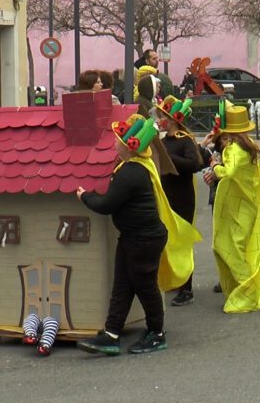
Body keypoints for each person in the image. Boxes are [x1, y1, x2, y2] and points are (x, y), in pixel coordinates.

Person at [77, 114, 201, 355]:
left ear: (127, 146)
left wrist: (85, 196)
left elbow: (106, 205)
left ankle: (156, 333)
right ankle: (111, 333)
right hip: (133, 237)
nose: (113, 143)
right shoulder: (133, 167)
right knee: (122, 286)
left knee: (145, 286)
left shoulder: (130, 172)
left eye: (117, 140)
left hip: (143, 240)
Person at [204, 106, 260, 312]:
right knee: (234, 245)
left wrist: (214, 166)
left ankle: (247, 287)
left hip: (235, 205)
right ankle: (243, 286)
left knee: (227, 246)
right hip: (246, 203)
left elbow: (228, 172)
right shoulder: (249, 147)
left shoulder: (234, 149)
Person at [155, 96, 204, 306]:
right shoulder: (163, 142)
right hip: (166, 195)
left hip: (183, 196)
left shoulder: (185, 140)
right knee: (168, 240)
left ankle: (187, 288)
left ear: (172, 120)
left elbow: (194, 164)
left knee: (183, 240)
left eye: (162, 117)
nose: (159, 121)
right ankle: (175, 279)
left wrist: (168, 157)